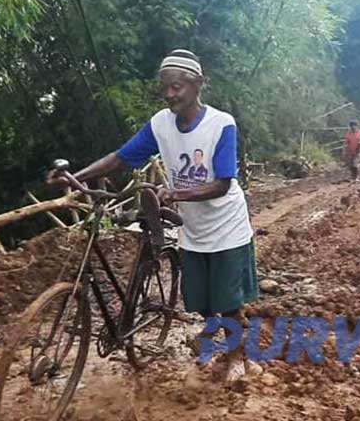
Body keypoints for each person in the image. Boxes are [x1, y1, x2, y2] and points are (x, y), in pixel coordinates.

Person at [48, 49, 259, 386]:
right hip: (193, 227)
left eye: (177, 87)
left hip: (226, 226)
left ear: (198, 84)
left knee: (229, 301)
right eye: (166, 88)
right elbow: (121, 158)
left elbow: (222, 184)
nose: (171, 94)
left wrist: (176, 194)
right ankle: (213, 333)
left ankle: (237, 358)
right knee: (202, 300)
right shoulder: (161, 124)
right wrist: (76, 177)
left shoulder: (222, 124)